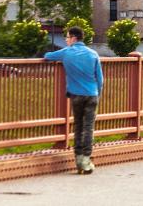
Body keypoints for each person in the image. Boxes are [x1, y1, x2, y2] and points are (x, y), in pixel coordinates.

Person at [44, 25, 104, 174]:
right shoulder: (93, 54)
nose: (66, 40)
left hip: (76, 95)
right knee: (88, 128)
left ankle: (78, 159)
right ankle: (86, 159)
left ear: (74, 38)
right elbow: (100, 79)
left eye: (67, 37)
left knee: (78, 126)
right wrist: (98, 94)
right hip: (92, 94)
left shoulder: (66, 52)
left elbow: (47, 56)